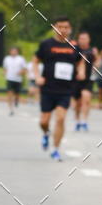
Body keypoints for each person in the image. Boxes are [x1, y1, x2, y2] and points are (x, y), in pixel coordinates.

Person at [33, 17, 84, 161]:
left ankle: (55, 149)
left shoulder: (74, 46)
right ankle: (46, 133)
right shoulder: (46, 44)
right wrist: (37, 77)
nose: (63, 30)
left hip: (65, 90)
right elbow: (35, 61)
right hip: (48, 89)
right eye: (60, 27)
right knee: (44, 121)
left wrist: (81, 71)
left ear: (70, 29)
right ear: (54, 28)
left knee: (60, 119)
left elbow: (81, 62)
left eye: (66, 27)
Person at [72, 31, 98, 131]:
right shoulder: (74, 50)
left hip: (88, 79)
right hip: (75, 79)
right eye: (81, 38)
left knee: (86, 99)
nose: (82, 40)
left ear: (89, 39)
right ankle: (77, 120)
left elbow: (97, 63)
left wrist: (96, 56)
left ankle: (84, 121)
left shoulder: (92, 50)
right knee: (77, 103)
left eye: (84, 38)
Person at [3, 46, 27, 115]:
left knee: (17, 93)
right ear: (10, 52)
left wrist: (21, 72)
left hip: (18, 79)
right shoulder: (7, 59)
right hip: (9, 78)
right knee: (9, 93)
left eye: (15, 51)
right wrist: (4, 73)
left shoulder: (21, 59)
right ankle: (11, 109)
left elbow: (25, 69)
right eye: (12, 51)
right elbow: (5, 68)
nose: (13, 52)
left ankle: (16, 100)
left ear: (17, 52)